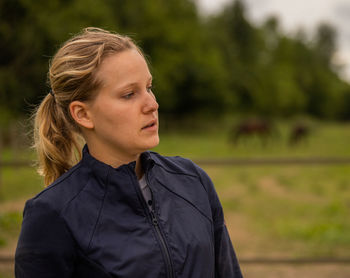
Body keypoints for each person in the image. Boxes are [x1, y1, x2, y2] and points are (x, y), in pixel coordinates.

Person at [15, 27, 243, 278]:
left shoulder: (193, 181)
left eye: (149, 87)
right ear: (83, 114)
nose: (152, 104)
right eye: (129, 94)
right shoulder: (50, 215)